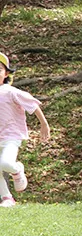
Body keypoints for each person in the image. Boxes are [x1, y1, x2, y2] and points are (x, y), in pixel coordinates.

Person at [0, 52, 51, 207]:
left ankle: (17, 169)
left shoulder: (11, 91)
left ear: (6, 73)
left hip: (11, 137)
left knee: (6, 163)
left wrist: (44, 124)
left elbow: (33, 105)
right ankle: (7, 197)